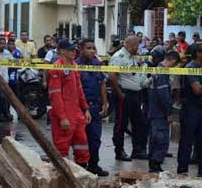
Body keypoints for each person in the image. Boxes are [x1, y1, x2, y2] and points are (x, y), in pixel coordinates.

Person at [48, 39, 91, 166]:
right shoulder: (56, 68)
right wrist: (62, 117)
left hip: (77, 113)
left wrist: (85, 109)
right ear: (61, 51)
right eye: (70, 50)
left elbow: (79, 89)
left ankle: (82, 172)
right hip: (64, 114)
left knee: (82, 144)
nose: (73, 52)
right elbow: (55, 96)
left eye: (74, 50)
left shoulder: (74, 66)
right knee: (62, 147)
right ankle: (62, 177)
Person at [109, 36, 150, 161]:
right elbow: (112, 75)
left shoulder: (134, 58)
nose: (138, 48)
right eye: (136, 45)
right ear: (129, 45)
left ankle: (137, 150)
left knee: (139, 123)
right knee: (121, 124)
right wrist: (119, 93)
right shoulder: (118, 57)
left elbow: (137, 75)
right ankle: (119, 151)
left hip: (136, 95)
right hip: (124, 94)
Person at [76, 39, 109, 177]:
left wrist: (105, 103)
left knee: (95, 138)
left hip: (95, 107)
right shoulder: (76, 65)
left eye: (93, 48)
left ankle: (94, 165)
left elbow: (102, 84)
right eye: (88, 48)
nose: (92, 51)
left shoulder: (97, 64)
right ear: (81, 49)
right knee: (81, 139)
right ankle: (81, 166)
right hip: (80, 107)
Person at [177, 44, 202, 177]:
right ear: (198, 54)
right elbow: (197, 90)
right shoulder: (191, 68)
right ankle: (182, 169)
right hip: (191, 108)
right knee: (187, 140)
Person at [148, 50, 178, 173]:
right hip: (160, 112)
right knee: (161, 139)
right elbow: (164, 95)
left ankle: (153, 163)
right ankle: (155, 164)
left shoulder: (157, 69)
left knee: (154, 139)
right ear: (174, 61)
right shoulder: (162, 73)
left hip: (154, 111)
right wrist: (169, 113)